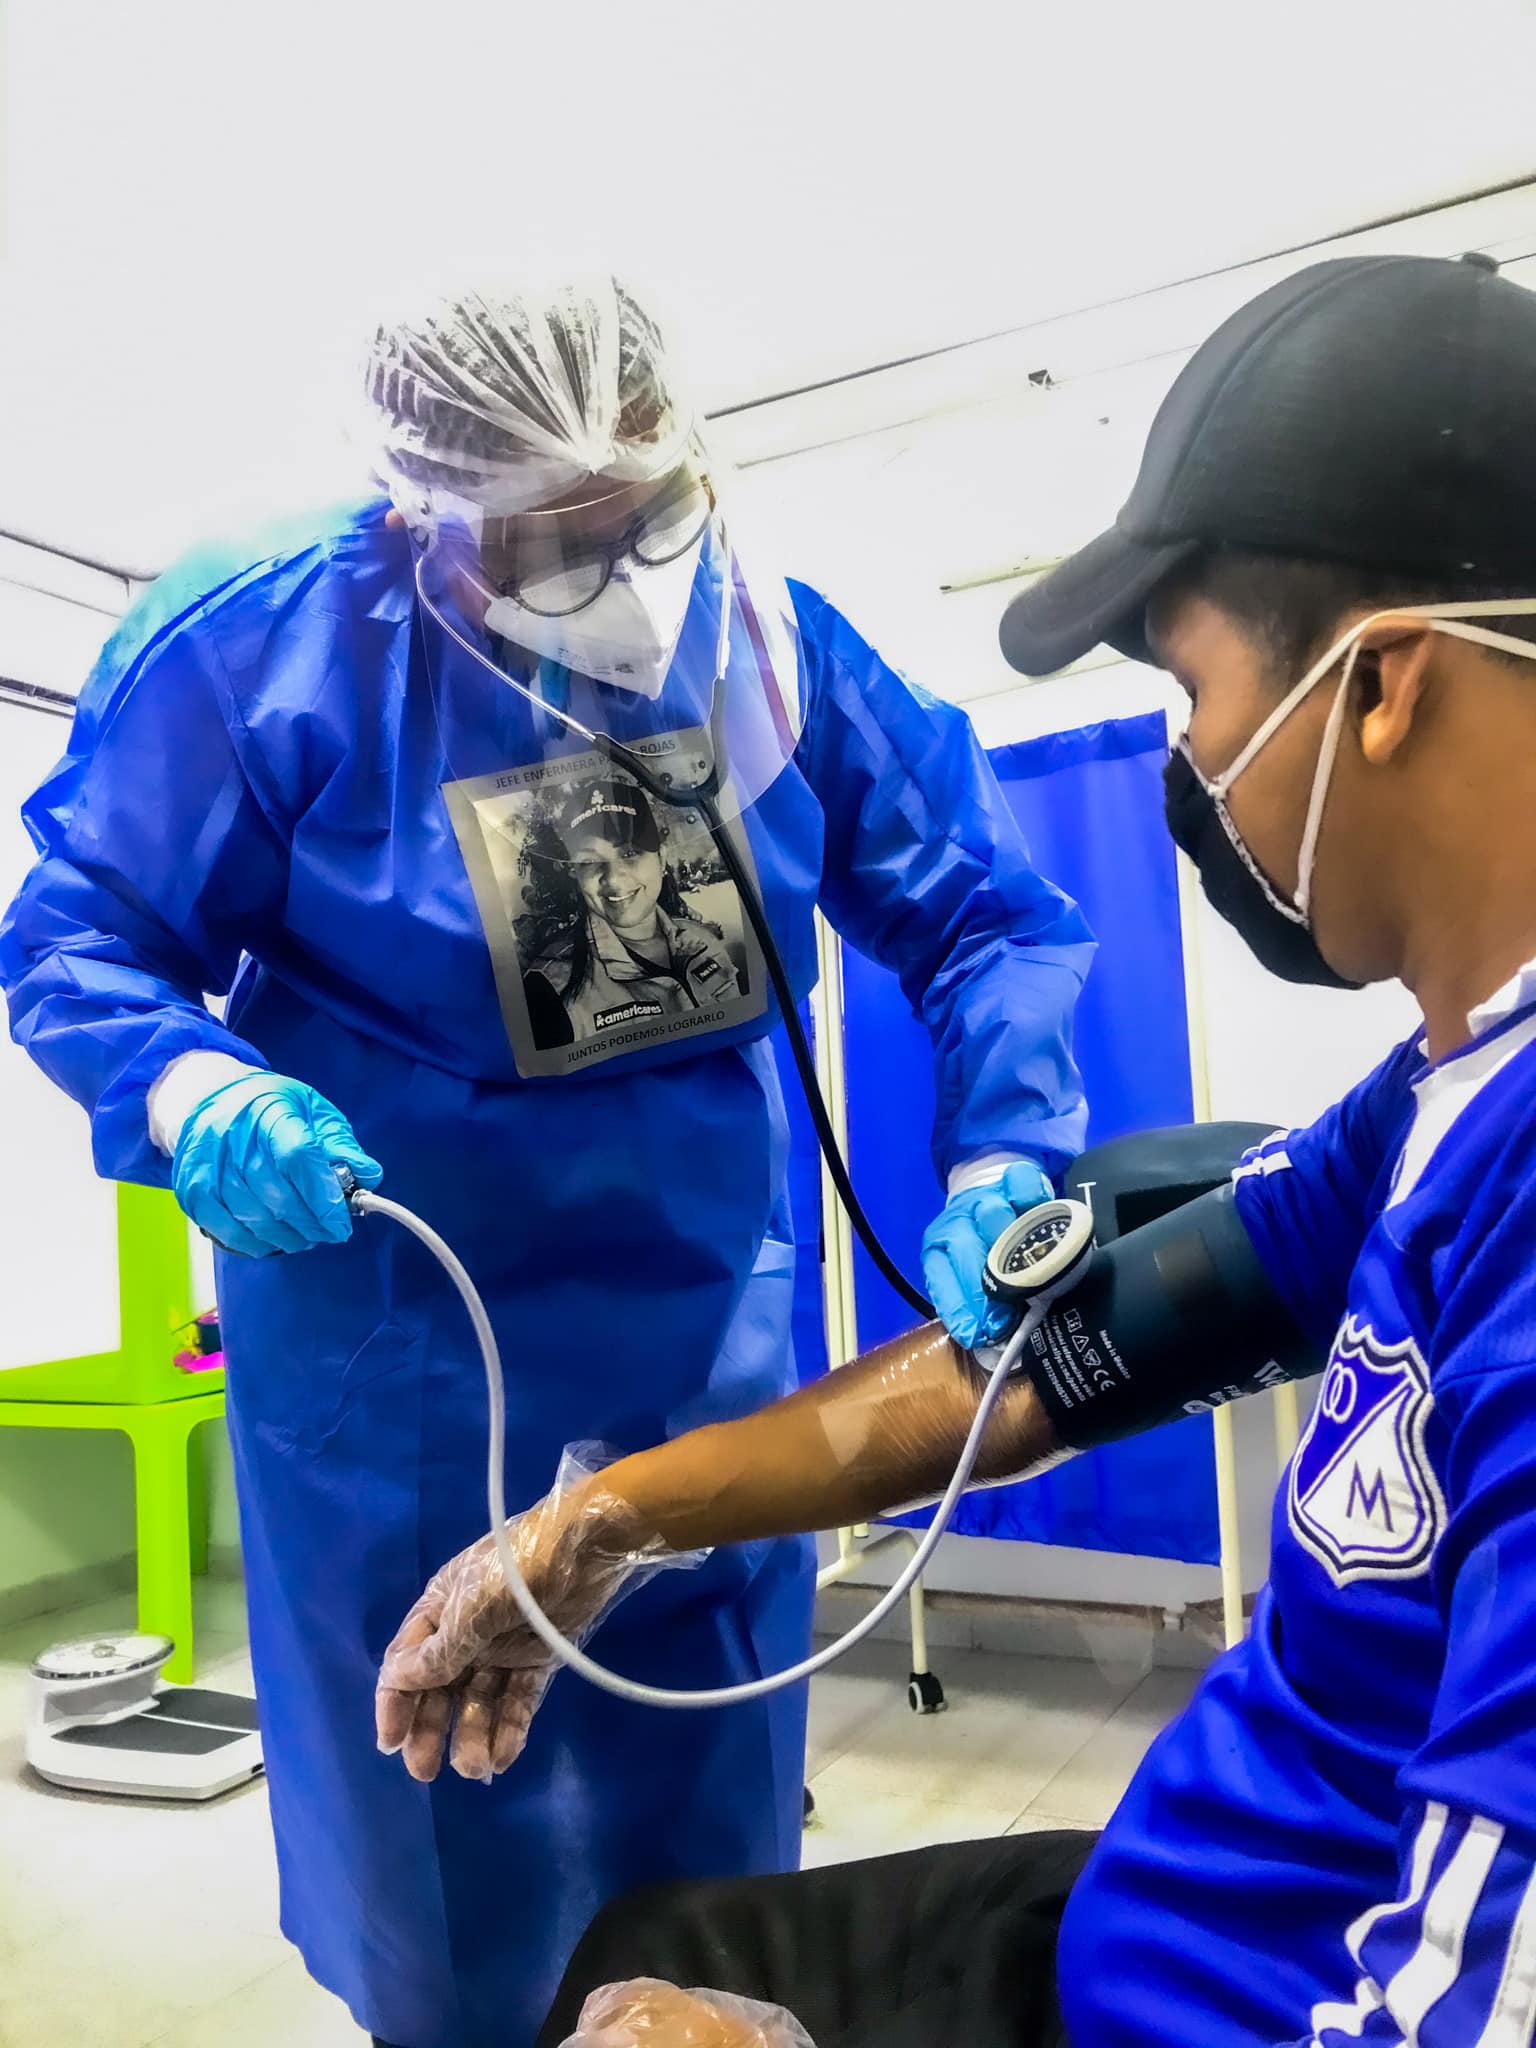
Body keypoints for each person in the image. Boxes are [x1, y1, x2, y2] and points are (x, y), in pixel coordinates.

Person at [379, 251, 1536, 2048]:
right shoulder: (1432, 1107)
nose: (1194, 765)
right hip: (1182, 1899)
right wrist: (602, 1522)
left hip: (1269, 1989)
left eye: (1188, 690)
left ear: (1378, 687)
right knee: (655, 1927)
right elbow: (1047, 1366)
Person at [0, 277, 1092, 2048]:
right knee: (448, 1868)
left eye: (646, 517)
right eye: (536, 540)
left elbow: (987, 914)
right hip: (401, 1365)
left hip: (702, 1364)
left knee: (717, 1865)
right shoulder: (260, 650)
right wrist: (194, 1085)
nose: (612, 571)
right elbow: (81, 933)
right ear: (415, 511)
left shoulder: (771, 649)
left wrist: (1001, 1148)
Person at [519, 778, 745, 1051]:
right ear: (574, 873)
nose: (613, 879)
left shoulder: (703, 941)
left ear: (661, 859)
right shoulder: (550, 987)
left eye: (629, 852)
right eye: (589, 862)